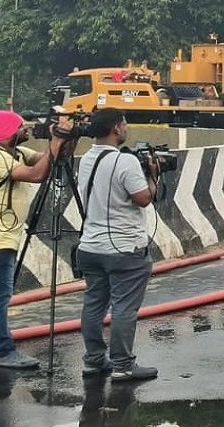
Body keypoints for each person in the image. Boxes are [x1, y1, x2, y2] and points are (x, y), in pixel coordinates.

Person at [0, 110, 66, 369]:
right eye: (20, 127)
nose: (26, 130)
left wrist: (63, 140)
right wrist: (55, 142)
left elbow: (49, 161)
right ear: (8, 132)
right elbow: (36, 174)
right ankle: (3, 351)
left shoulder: (17, 154)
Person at [75, 108, 160, 382]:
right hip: (124, 250)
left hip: (90, 247)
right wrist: (153, 176)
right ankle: (123, 365)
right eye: (124, 124)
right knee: (124, 308)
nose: (126, 129)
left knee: (93, 304)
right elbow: (143, 198)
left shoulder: (87, 158)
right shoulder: (124, 162)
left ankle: (94, 360)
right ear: (115, 129)